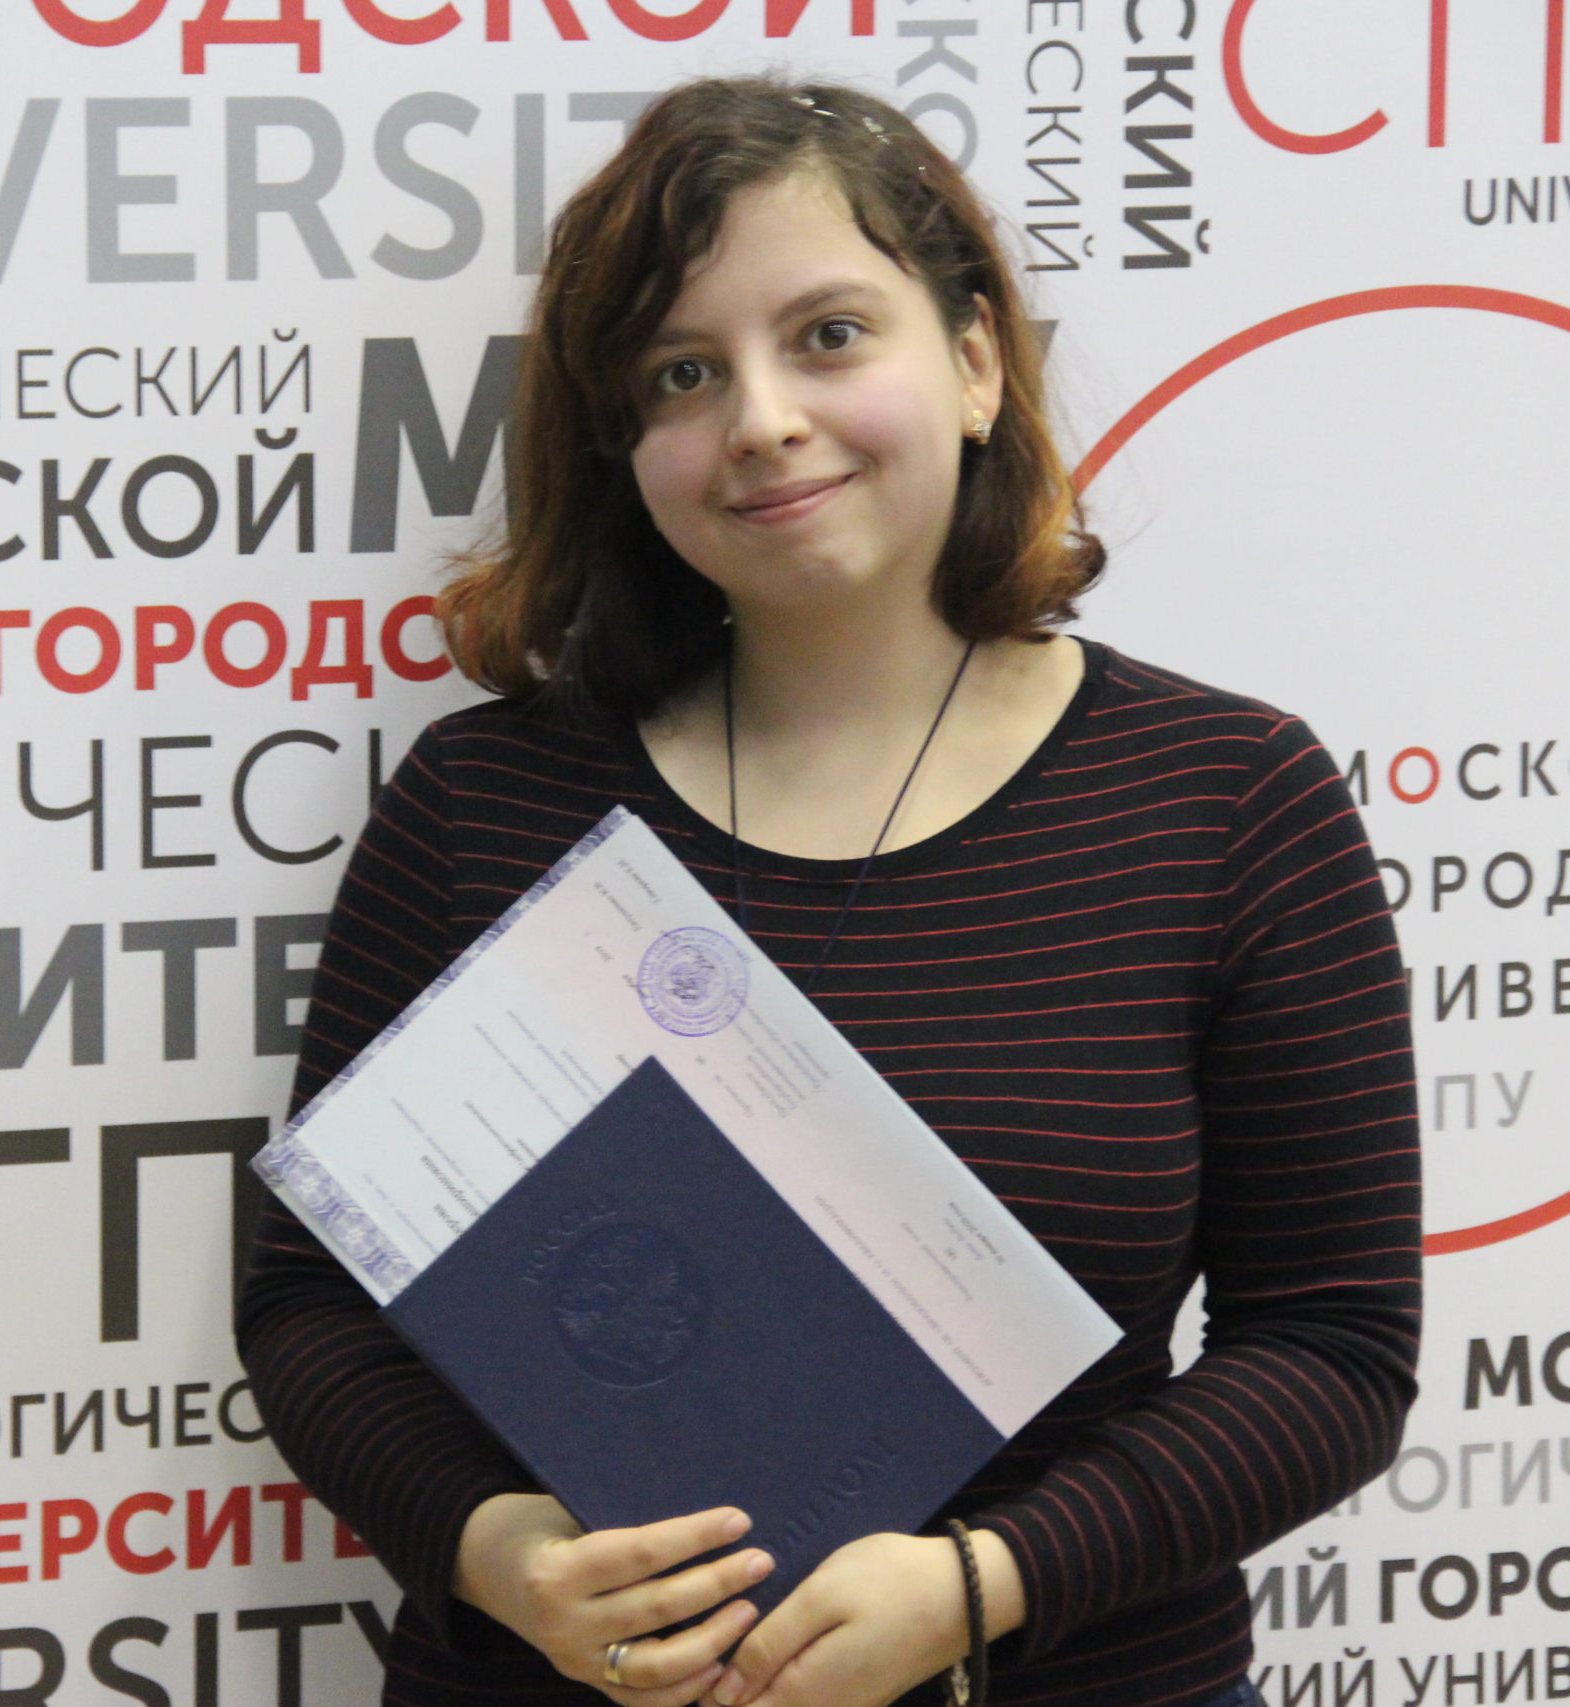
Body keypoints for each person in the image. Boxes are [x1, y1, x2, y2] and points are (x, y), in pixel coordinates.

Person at [235, 75, 1420, 1707]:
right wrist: (505, 1559)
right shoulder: (486, 805)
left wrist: (983, 1586)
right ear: (624, 445)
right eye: (682, 372)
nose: (762, 419)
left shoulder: (1229, 801)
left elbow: (1333, 1351)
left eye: (831, 336)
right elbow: (312, 1300)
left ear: (979, 363)